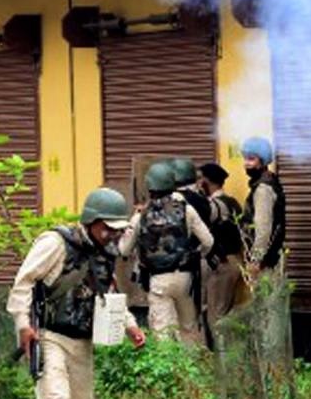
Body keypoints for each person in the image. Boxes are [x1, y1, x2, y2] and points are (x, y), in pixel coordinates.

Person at [9, 188, 146, 399]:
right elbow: (24, 281)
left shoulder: (105, 253)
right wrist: (23, 325)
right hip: (49, 334)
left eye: (116, 229)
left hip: (82, 339)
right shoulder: (55, 243)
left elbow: (109, 293)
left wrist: (130, 325)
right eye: (106, 227)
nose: (111, 234)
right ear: (92, 220)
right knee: (55, 397)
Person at [122, 160, 213, 348]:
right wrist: (195, 254)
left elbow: (123, 249)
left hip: (158, 282)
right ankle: (194, 372)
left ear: (150, 186)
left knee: (163, 333)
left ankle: (171, 375)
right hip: (185, 278)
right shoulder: (186, 209)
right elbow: (209, 242)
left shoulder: (141, 215)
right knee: (189, 329)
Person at [190, 162, 247, 326]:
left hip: (222, 263)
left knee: (215, 316)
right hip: (234, 261)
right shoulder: (232, 202)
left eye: (201, 179)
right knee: (221, 312)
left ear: (206, 182)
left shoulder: (213, 206)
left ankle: (219, 352)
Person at [239, 136, 286, 279]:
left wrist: (255, 259)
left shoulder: (263, 188)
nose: (246, 163)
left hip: (265, 263)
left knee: (264, 300)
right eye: (245, 158)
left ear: (263, 161)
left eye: (251, 159)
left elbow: (263, 229)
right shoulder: (268, 181)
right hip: (270, 258)